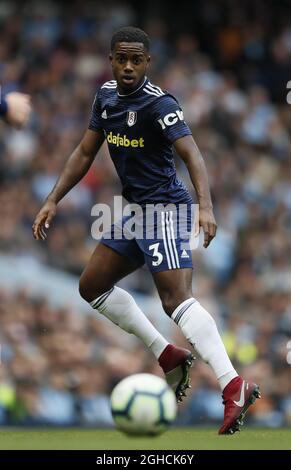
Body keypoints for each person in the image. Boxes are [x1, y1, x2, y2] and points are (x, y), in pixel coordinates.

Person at [32, 26, 260, 434]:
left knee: (175, 300)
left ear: (147, 63)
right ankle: (167, 354)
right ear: (111, 60)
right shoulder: (104, 97)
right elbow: (85, 151)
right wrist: (52, 199)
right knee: (92, 286)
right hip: (134, 211)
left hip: (167, 210)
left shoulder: (161, 104)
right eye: (122, 58)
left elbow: (192, 155)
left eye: (137, 59)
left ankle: (233, 384)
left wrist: (205, 208)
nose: (129, 66)